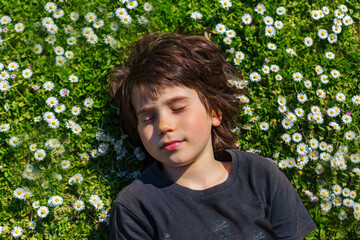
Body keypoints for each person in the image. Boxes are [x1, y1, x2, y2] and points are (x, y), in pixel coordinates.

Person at [108, 32, 316, 239]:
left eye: (178, 108)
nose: (163, 125)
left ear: (215, 112)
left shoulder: (261, 176)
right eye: (148, 118)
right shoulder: (136, 209)